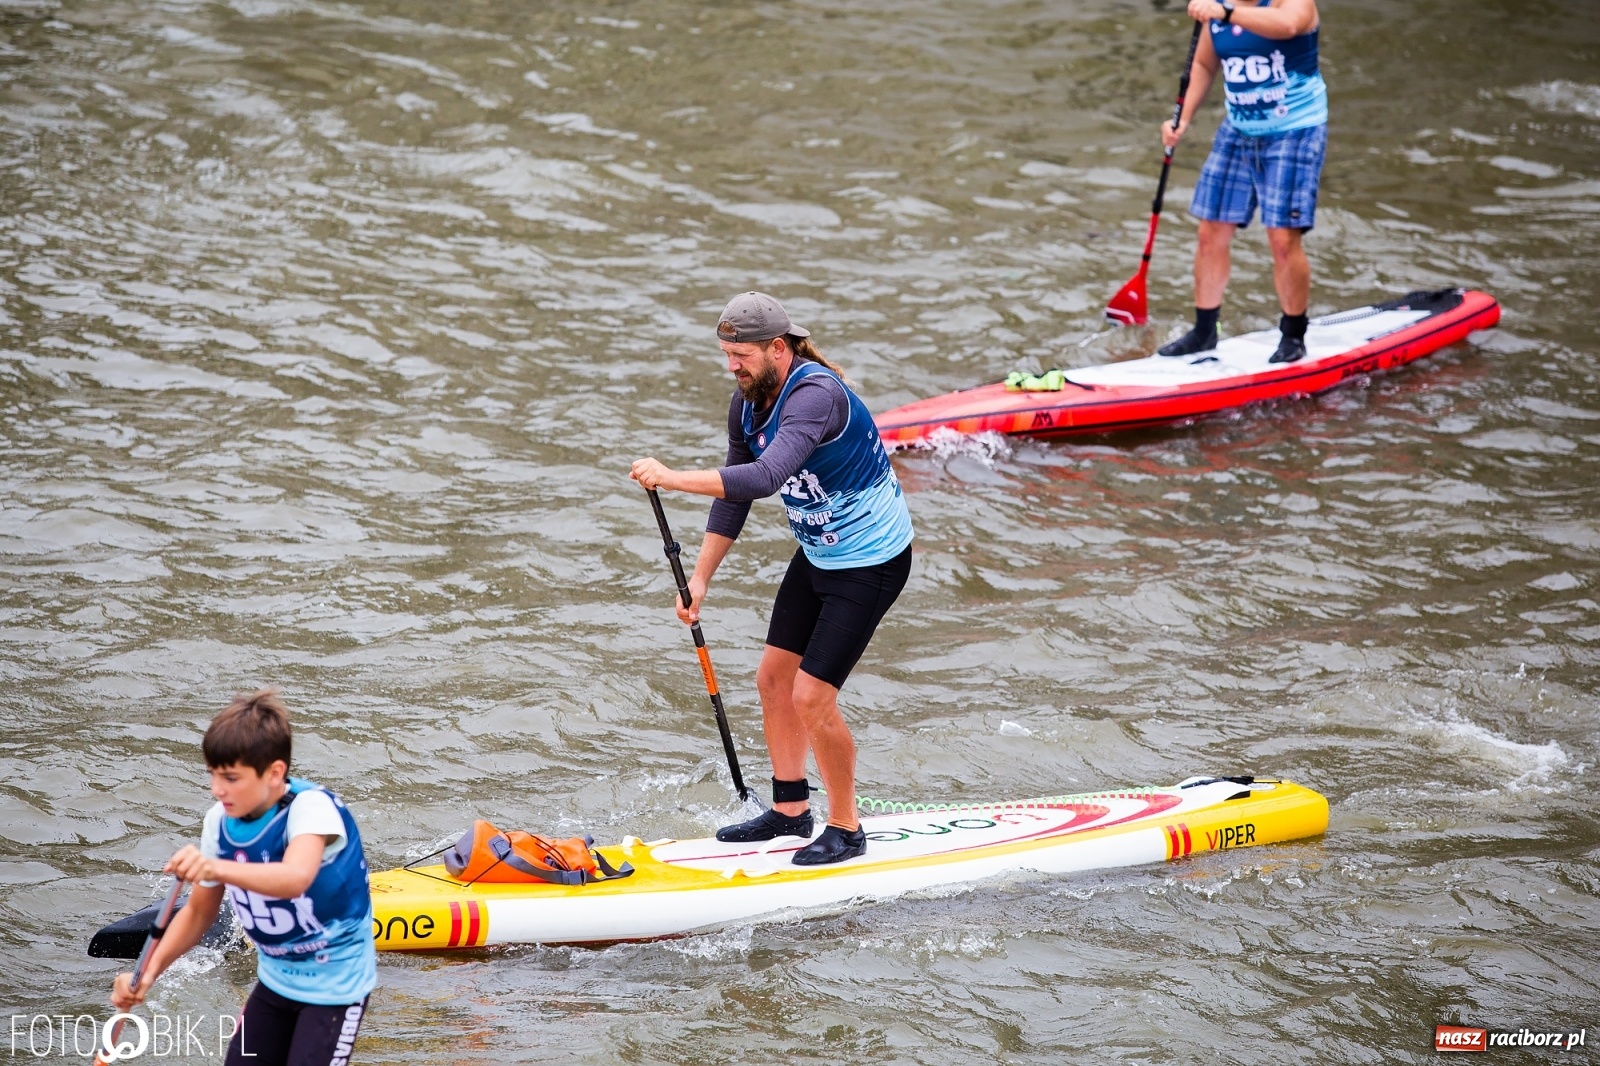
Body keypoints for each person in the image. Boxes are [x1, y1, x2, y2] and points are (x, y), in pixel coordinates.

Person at [630, 292, 914, 867]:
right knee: (772, 680)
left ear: (778, 349)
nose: (733, 366)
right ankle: (790, 810)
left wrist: (671, 477)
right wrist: (701, 580)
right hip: (818, 554)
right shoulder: (746, 403)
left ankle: (846, 827)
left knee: (812, 695)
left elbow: (762, 478)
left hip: (873, 561)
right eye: (726, 354)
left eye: (742, 355)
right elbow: (735, 500)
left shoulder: (814, 395)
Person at [110, 689, 377, 1066]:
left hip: (336, 987)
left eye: (232, 778)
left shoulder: (311, 809)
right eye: (213, 775)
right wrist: (146, 975)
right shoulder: (218, 821)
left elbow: (295, 877)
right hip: (275, 982)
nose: (218, 790)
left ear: (274, 773)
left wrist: (214, 867)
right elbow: (199, 914)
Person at [1157, 0, 1326, 364]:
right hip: (1239, 129)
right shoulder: (1217, 9)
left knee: (1282, 239)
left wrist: (1227, 12)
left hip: (1293, 130)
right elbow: (1204, 63)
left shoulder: (1290, 3)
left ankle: (1293, 335)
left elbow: (1288, 26)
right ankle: (1204, 331)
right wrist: (1181, 119)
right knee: (1210, 232)